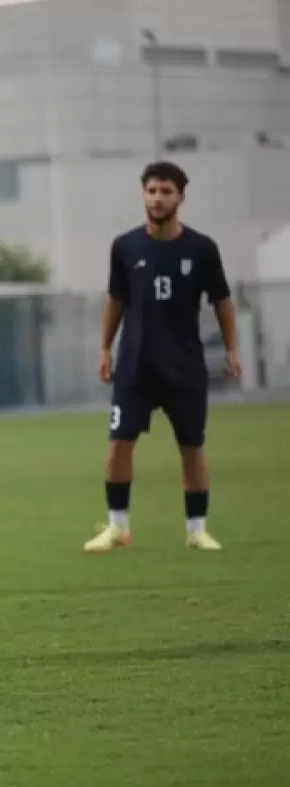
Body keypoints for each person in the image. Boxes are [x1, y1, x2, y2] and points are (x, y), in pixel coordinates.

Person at [84, 160, 239, 554]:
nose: (157, 198)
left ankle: (197, 529)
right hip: (135, 366)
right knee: (119, 444)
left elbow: (222, 301)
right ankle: (118, 527)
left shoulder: (202, 249)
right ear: (144, 195)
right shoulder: (126, 246)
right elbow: (115, 300)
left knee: (192, 446)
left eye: (166, 191)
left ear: (180, 197)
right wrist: (105, 348)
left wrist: (233, 348)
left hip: (184, 367)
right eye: (151, 191)